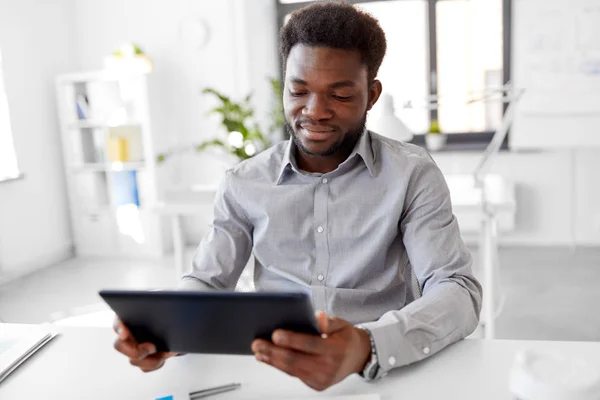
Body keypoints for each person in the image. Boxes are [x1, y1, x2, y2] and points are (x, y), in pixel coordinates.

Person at [113, 1, 482, 391]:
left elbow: (457, 291)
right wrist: (167, 327)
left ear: (371, 95)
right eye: (299, 90)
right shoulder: (244, 182)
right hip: (272, 374)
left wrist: (366, 346)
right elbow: (208, 280)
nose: (315, 111)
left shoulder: (412, 174)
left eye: (339, 95)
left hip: (381, 373)